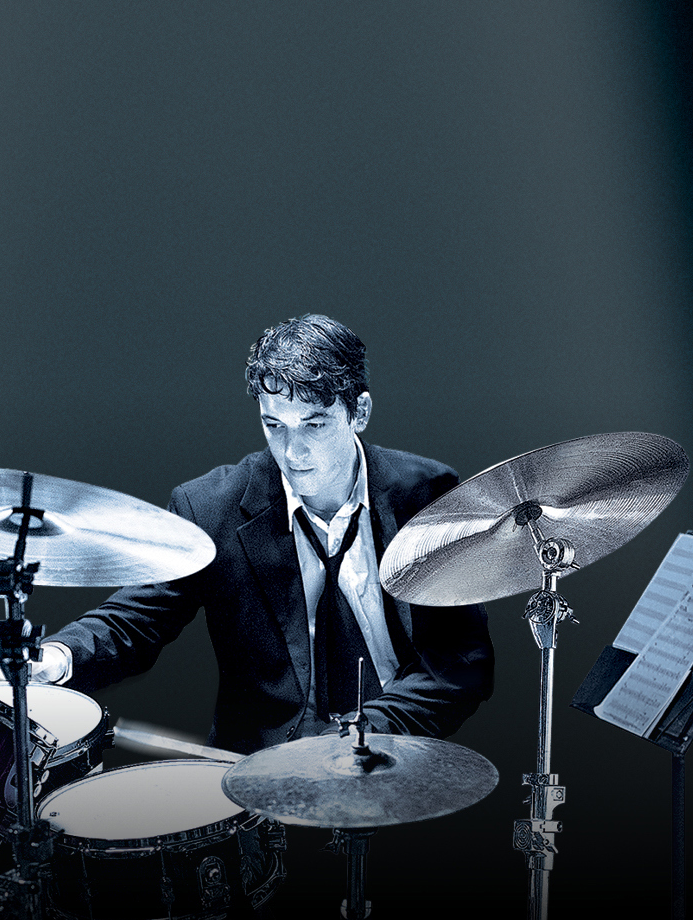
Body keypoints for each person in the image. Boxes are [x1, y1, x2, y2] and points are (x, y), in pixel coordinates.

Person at [30, 314, 492, 754]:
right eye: (275, 426)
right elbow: (136, 617)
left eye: (314, 424)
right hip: (261, 773)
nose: (293, 452)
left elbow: (461, 661)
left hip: (395, 752)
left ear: (360, 412)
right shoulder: (211, 508)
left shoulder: (428, 495)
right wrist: (59, 656)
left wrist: (362, 735)